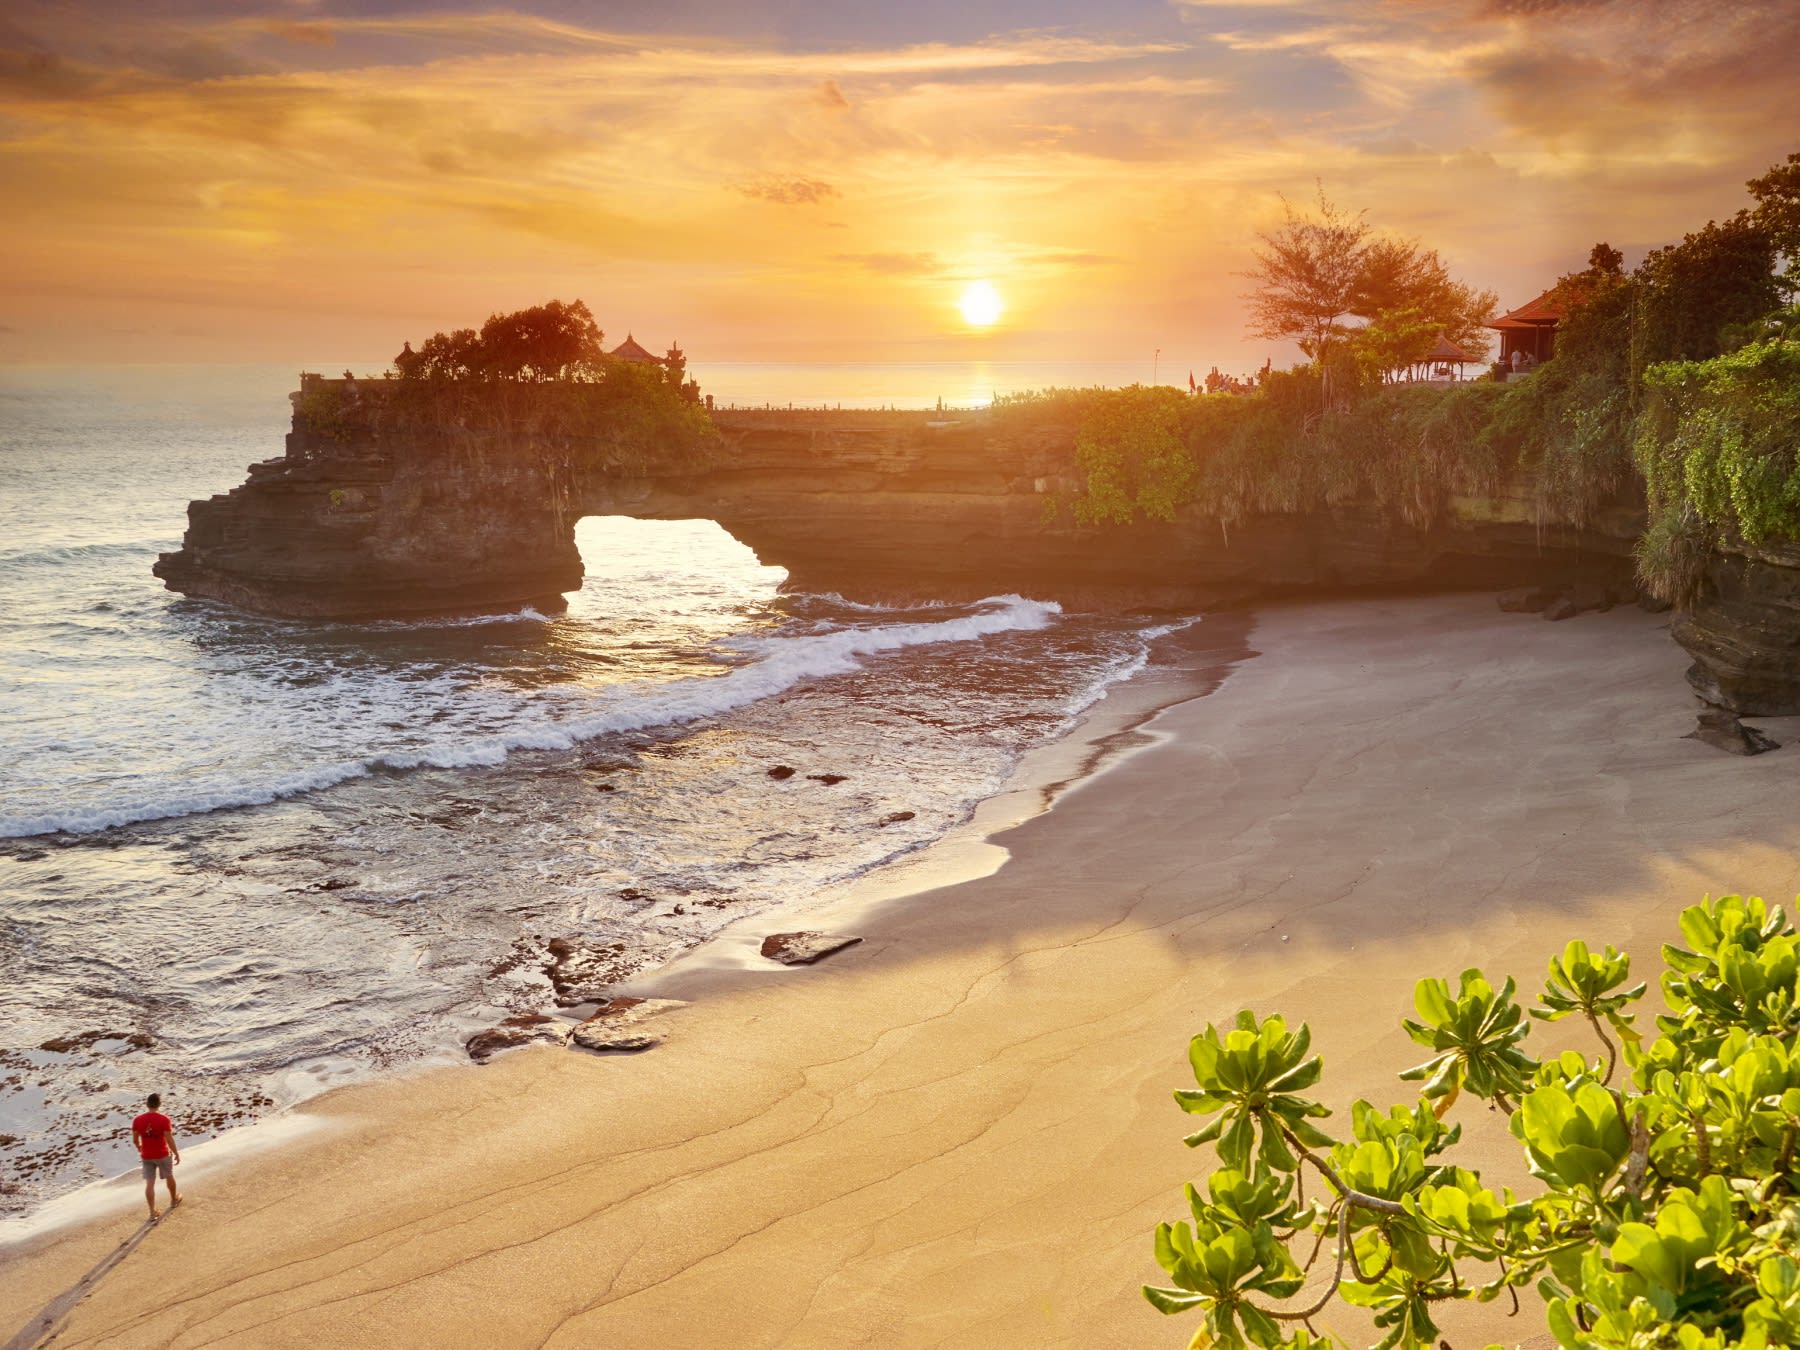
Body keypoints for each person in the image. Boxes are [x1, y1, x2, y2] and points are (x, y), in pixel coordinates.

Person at [132, 1092, 181, 1222]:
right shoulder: (164, 1119)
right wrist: (176, 1152)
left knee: (150, 1183)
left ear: (147, 1104)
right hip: (162, 1153)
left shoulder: (138, 1120)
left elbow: (135, 1140)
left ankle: (152, 1212)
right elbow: (169, 1139)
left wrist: (140, 1148)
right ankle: (174, 1200)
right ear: (159, 1104)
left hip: (147, 1155)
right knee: (169, 1176)